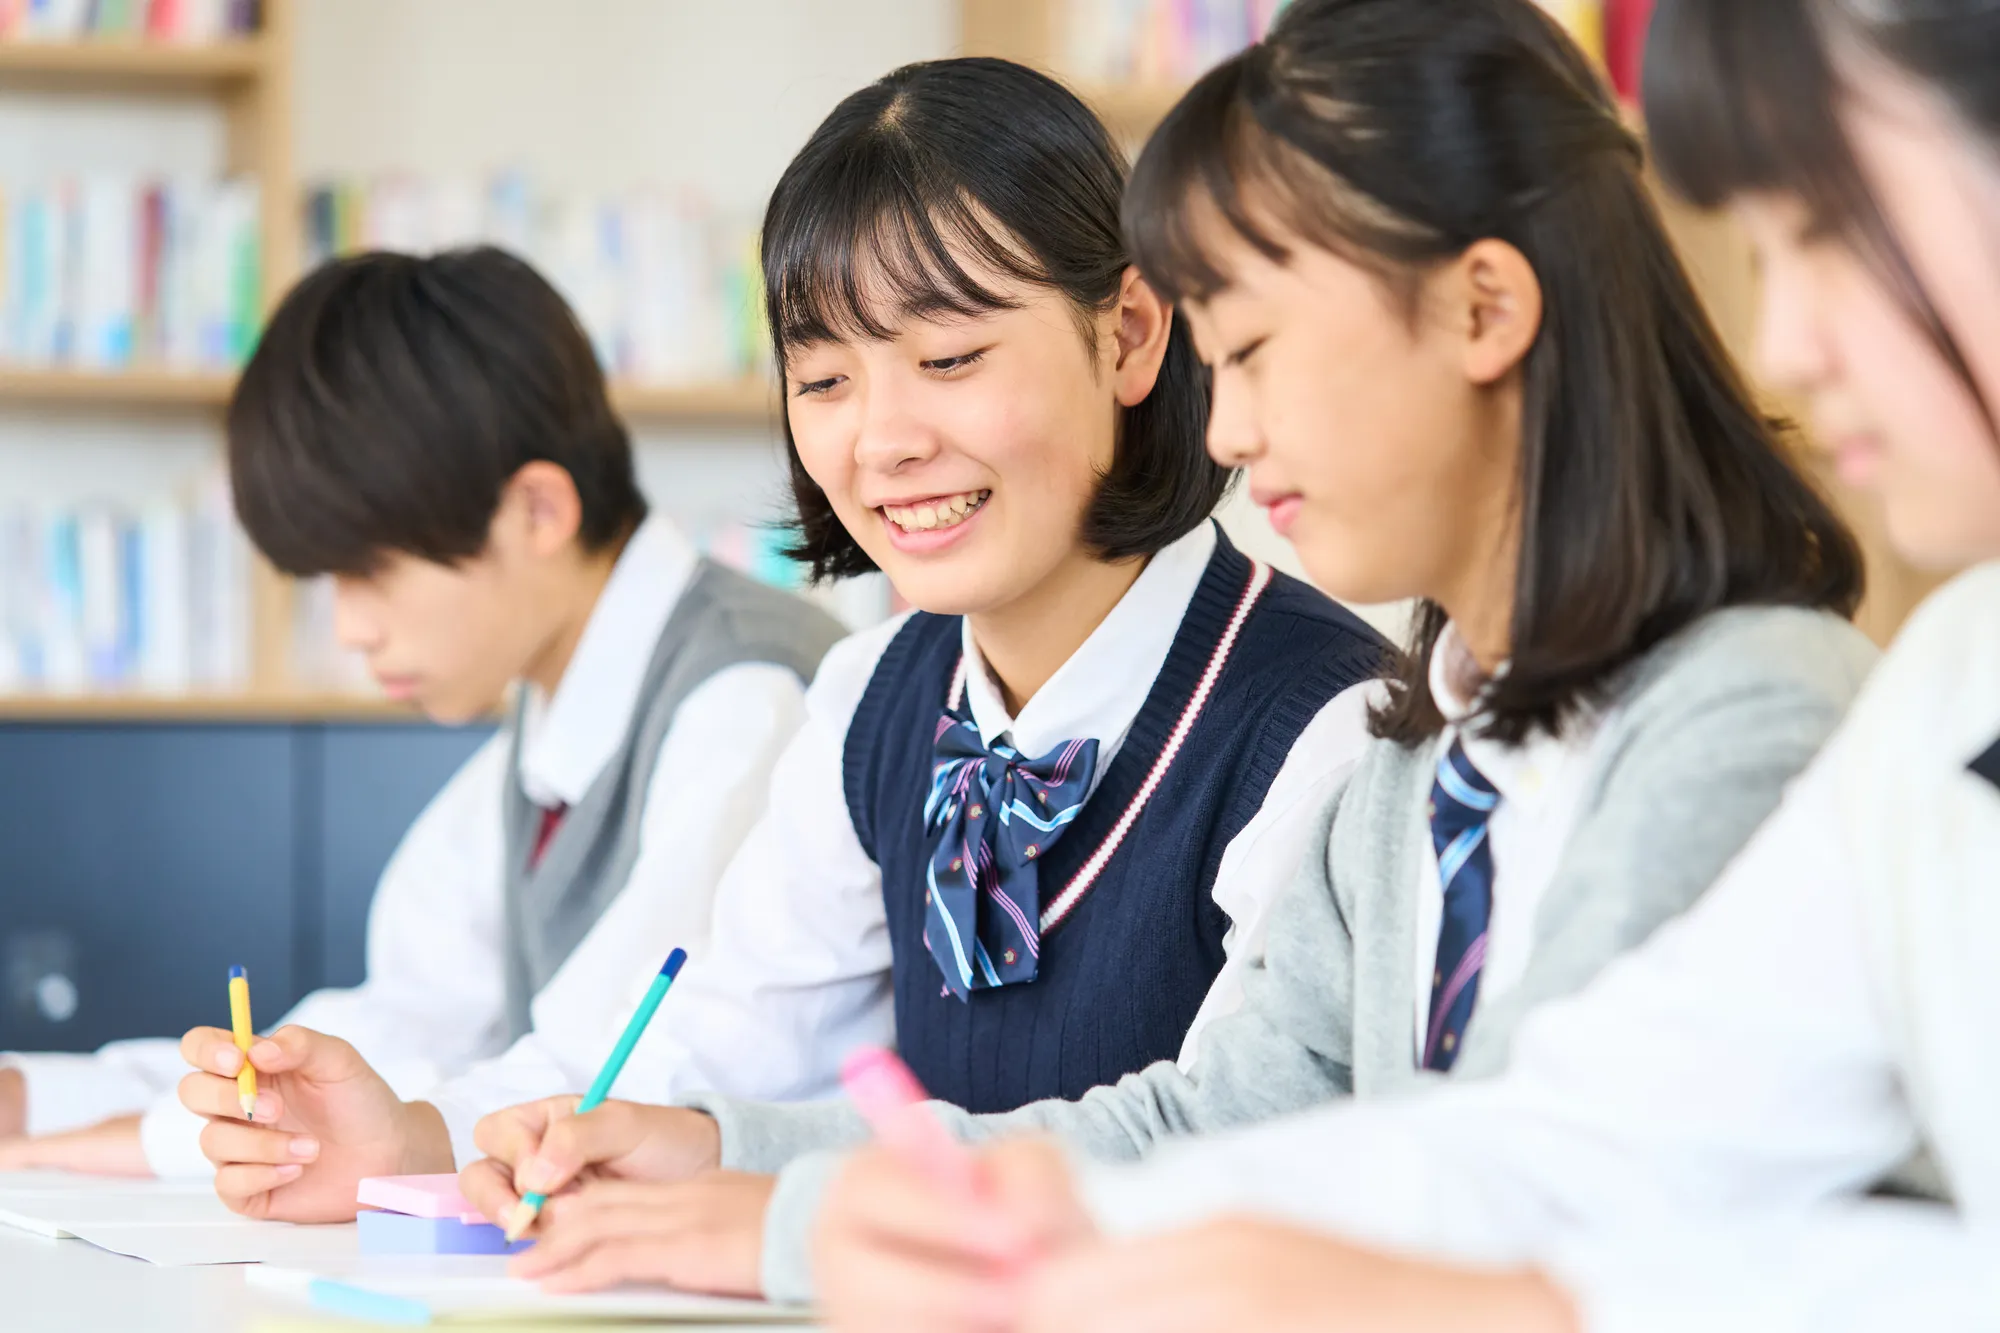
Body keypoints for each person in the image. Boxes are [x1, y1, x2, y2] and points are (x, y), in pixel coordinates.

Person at [472, 1, 1878, 1301]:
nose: (1226, 430)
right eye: (825, 377)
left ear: (1482, 310)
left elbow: (1506, 1188)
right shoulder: (1419, 766)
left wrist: (782, 1220)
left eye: (1254, 350)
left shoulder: (1739, 717)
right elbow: (1212, 1126)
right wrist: (733, 1157)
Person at [814, 1, 2000, 1328]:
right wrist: (1079, 1220)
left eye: (1828, 236)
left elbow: (1635, 1207)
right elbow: (1577, 1136)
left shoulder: (1759, 706)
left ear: (1487, 304)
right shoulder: (1948, 676)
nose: (1788, 346)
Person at [168, 59, 1391, 1245]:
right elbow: (715, 1047)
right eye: (823, 378)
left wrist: (752, 1207)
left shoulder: (1321, 722)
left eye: (949, 358)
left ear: (1128, 334)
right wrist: (426, 1145)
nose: (880, 440)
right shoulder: (874, 702)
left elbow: (1235, 1147)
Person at [0, 247, 844, 1182]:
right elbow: (408, 1015)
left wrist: (57, 1151)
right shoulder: (554, 712)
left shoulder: (745, 699)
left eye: (371, 573)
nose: (353, 629)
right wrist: (34, 1098)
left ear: (536, 510)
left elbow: (604, 1074)